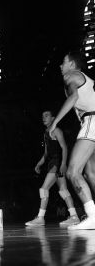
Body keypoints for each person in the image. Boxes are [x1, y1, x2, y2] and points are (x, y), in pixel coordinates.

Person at [49, 51, 95, 230]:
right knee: (90, 173)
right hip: (91, 120)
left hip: (92, 121)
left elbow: (73, 97)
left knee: (72, 172)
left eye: (63, 62)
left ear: (73, 64)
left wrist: (55, 123)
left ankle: (92, 215)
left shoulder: (72, 75)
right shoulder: (85, 78)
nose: (61, 66)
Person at [25, 110, 79, 227]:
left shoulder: (56, 130)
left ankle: (40, 218)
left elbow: (64, 147)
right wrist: (39, 164)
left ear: (53, 118)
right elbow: (46, 153)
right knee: (63, 191)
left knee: (43, 189)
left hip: (57, 163)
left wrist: (63, 164)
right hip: (52, 163)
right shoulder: (46, 132)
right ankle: (74, 216)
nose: (43, 117)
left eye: (47, 115)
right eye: (42, 115)